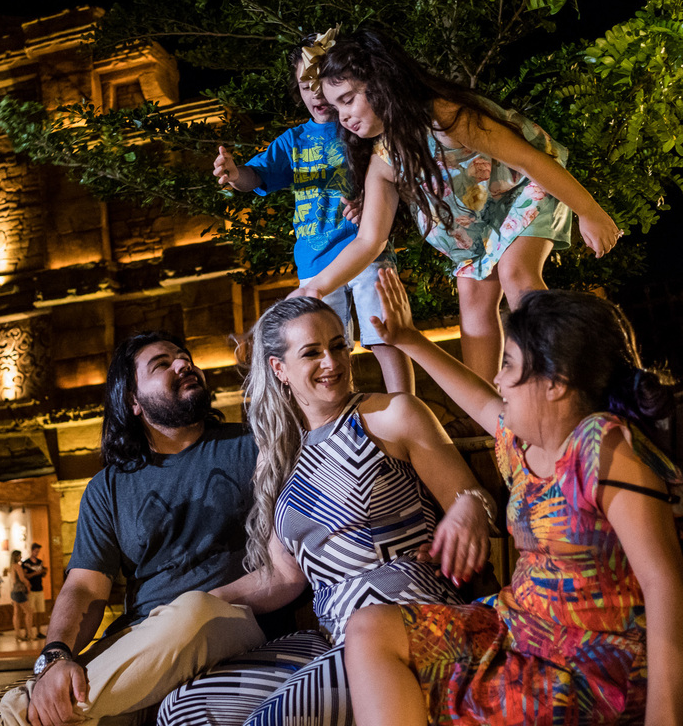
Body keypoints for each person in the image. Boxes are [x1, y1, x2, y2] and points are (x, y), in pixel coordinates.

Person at [341, 269, 683, 725]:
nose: (498, 378)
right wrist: (409, 340)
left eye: (509, 364)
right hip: (515, 628)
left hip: (582, 664)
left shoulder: (600, 447)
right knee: (369, 628)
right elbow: (479, 400)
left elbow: (664, 584)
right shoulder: (526, 443)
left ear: (555, 383)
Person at [157, 296, 493, 726]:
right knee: (181, 711)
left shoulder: (390, 414)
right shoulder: (281, 456)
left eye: (338, 346)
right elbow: (283, 577)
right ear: (280, 369)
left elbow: (470, 495)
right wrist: (196, 603)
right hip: (330, 632)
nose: (331, 362)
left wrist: (469, 506)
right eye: (312, 353)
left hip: (406, 613)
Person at [294, 28, 622, 383]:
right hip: (473, 233)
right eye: (335, 107)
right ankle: (486, 406)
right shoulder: (383, 161)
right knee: (473, 307)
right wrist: (315, 287)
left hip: (520, 194)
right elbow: (369, 240)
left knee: (515, 273)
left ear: (381, 84)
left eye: (347, 100)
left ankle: (562, 378)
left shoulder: (445, 117)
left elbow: (529, 160)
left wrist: (590, 212)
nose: (342, 116)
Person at [0, 332, 271, 726]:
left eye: (184, 357)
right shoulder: (107, 487)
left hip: (231, 619)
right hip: (145, 638)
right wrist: (56, 656)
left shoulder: (253, 446)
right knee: (66, 694)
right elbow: (85, 588)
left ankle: (17, 717)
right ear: (133, 401)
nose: (183, 364)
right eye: (162, 364)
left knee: (193, 610)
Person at [214, 29, 414, 394]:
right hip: (314, 263)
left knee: (386, 334)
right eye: (306, 87)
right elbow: (256, 175)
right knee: (326, 347)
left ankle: (406, 407)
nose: (316, 95)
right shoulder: (293, 141)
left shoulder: (360, 125)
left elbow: (392, 176)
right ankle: (343, 413)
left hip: (367, 251)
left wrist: (369, 202)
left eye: (321, 84)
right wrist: (234, 173)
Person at [21, 543, 48, 639]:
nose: (37, 553)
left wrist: (44, 572)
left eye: (38, 552)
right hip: (30, 590)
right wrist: (37, 573)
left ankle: (38, 631)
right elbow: (26, 576)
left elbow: (42, 575)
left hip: (39, 589)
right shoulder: (26, 563)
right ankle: (27, 632)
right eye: (36, 551)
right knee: (29, 612)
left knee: (39, 612)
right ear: (32, 551)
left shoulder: (40, 562)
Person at [8, 549, 35, 642]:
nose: (21, 557)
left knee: (16, 613)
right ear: (16, 557)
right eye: (20, 555)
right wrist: (28, 584)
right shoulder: (17, 566)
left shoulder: (11, 567)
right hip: (19, 590)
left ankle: (17, 634)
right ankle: (30, 634)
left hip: (13, 591)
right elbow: (22, 578)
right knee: (29, 612)